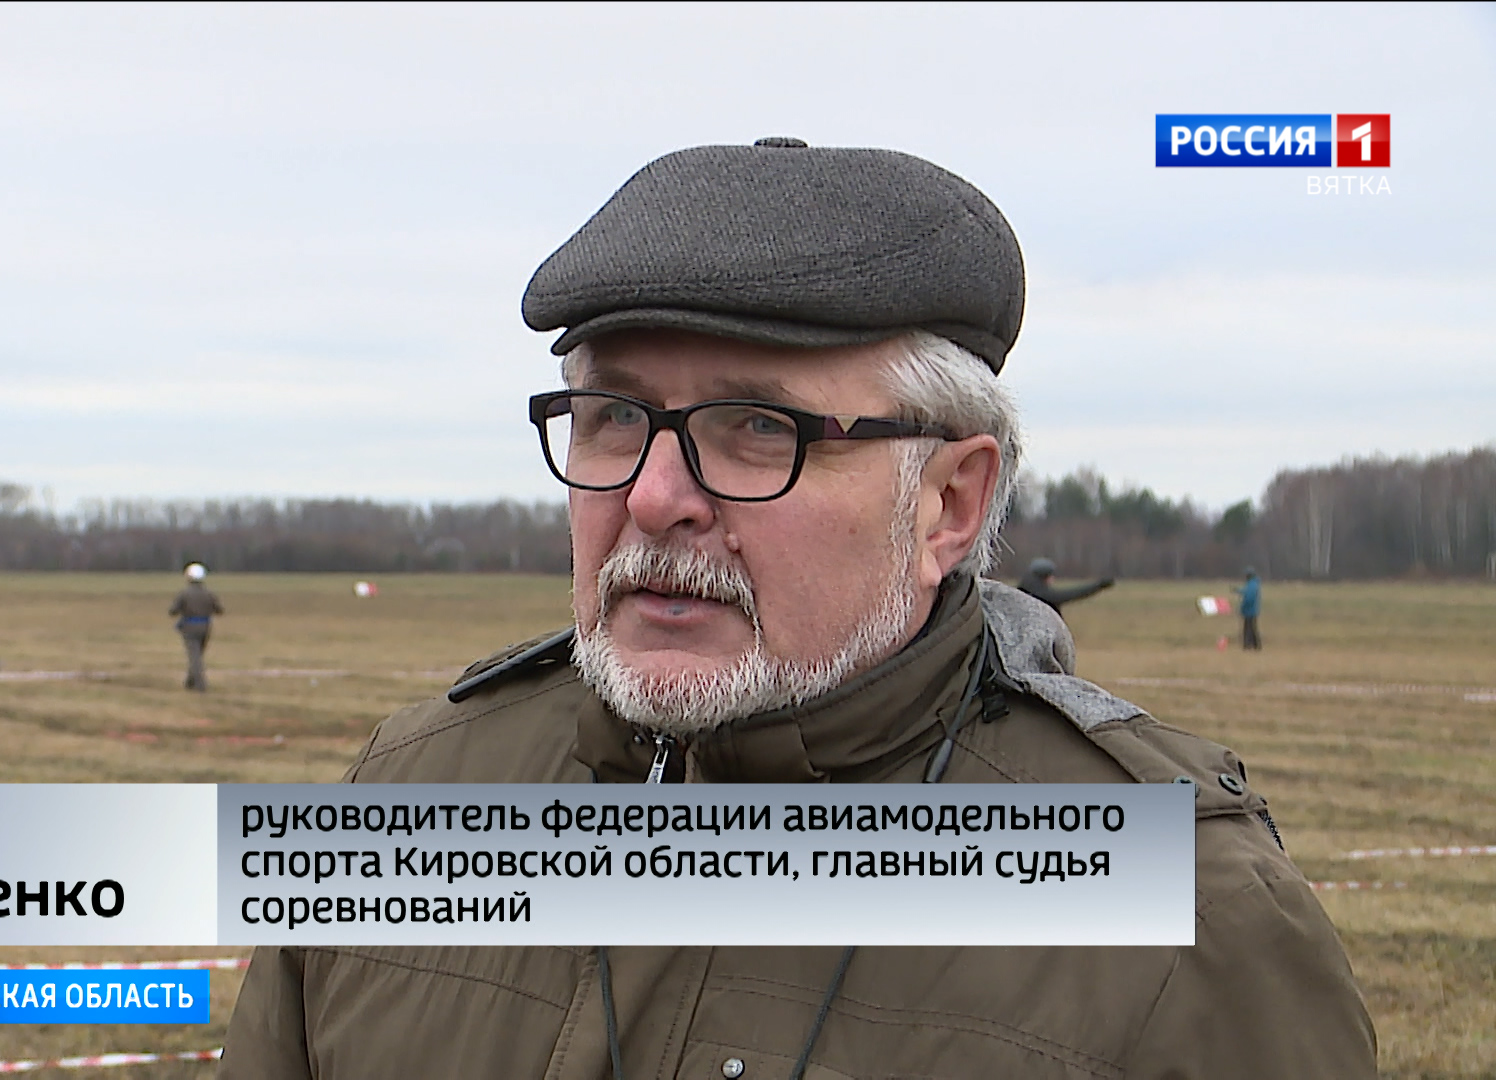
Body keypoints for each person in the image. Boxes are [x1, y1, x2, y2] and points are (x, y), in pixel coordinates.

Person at [220, 140, 1375, 1079]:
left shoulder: (1189, 921)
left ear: (949, 503)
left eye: (760, 429)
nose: (655, 497)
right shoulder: (412, 793)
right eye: (614, 417)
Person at [169, 563, 223, 691]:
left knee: (195, 656)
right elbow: (219, 610)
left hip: (189, 627)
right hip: (206, 626)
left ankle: (200, 684)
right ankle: (190, 682)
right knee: (197, 654)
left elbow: (173, 611)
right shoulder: (209, 593)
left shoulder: (184, 593)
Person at [1016, 555, 1115, 613]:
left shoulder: (1024, 590)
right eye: (1050, 576)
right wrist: (1098, 586)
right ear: (1044, 577)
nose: (1052, 579)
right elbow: (1071, 594)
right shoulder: (1041, 594)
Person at [1235, 567, 1263, 650]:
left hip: (1249, 610)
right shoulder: (1253, 584)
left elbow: (1249, 598)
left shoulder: (1251, 585)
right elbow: (1246, 591)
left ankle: (1247, 645)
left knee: (1248, 629)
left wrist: (1242, 608)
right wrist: (1238, 590)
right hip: (1253, 610)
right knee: (1252, 628)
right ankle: (1256, 645)